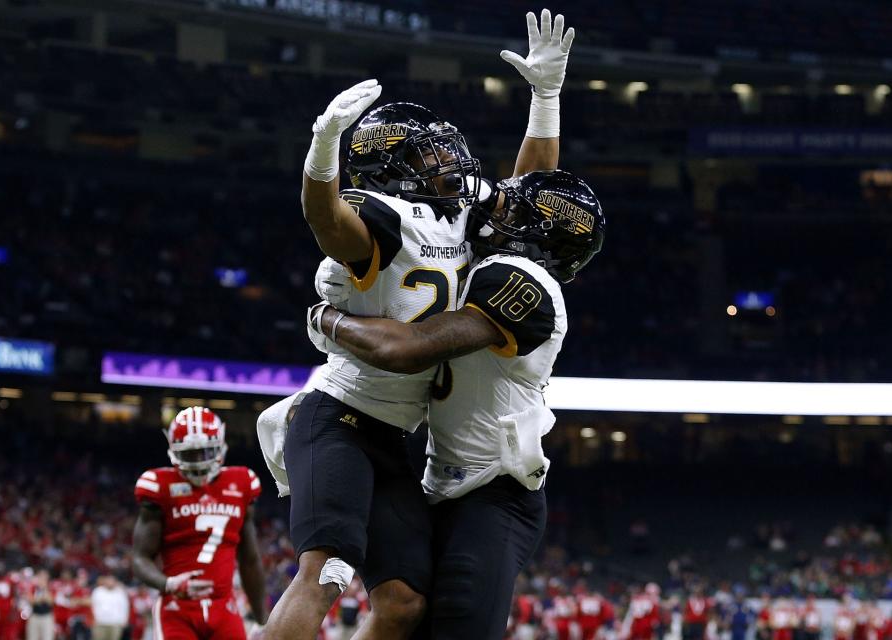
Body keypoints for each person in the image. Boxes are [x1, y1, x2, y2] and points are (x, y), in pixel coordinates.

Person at [257, 8, 576, 640]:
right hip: (340, 418)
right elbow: (328, 221)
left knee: (405, 603)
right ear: (394, 164)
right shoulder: (383, 216)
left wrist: (545, 100)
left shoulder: (458, 215)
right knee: (327, 571)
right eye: (429, 154)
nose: (448, 162)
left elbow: (531, 191)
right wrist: (323, 154)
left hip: (396, 438)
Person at [310, 169, 605, 638]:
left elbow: (404, 349)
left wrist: (328, 318)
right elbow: (532, 180)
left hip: (495, 495)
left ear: (538, 232)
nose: (497, 213)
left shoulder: (524, 282)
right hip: (445, 486)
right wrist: (544, 104)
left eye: (515, 212)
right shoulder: (494, 267)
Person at [132, 406, 267, 640]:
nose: (198, 463)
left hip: (224, 607)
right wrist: (169, 584)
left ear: (220, 446)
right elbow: (139, 557)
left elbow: (250, 559)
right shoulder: (159, 486)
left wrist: (262, 619)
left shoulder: (241, 483)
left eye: (204, 452)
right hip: (178, 609)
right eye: (190, 454)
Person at [90, 574, 129, 640]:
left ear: (115, 582)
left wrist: (125, 620)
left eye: (112, 581)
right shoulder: (98, 591)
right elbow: (92, 605)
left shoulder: (120, 592)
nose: (110, 582)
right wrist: (93, 618)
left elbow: (125, 607)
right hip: (100, 622)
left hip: (115, 623)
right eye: (108, 580)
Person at [27, 570, 55, 640]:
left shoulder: (51, 587)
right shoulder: (33, 587)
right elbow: (30, 601)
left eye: (44, 577)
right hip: (35, 615)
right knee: (32, 637)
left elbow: (51, 602)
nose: (42, 579)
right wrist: (41, 599)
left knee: (47, 637)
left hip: (46, 617)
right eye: (40, 577)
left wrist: (45, 589)